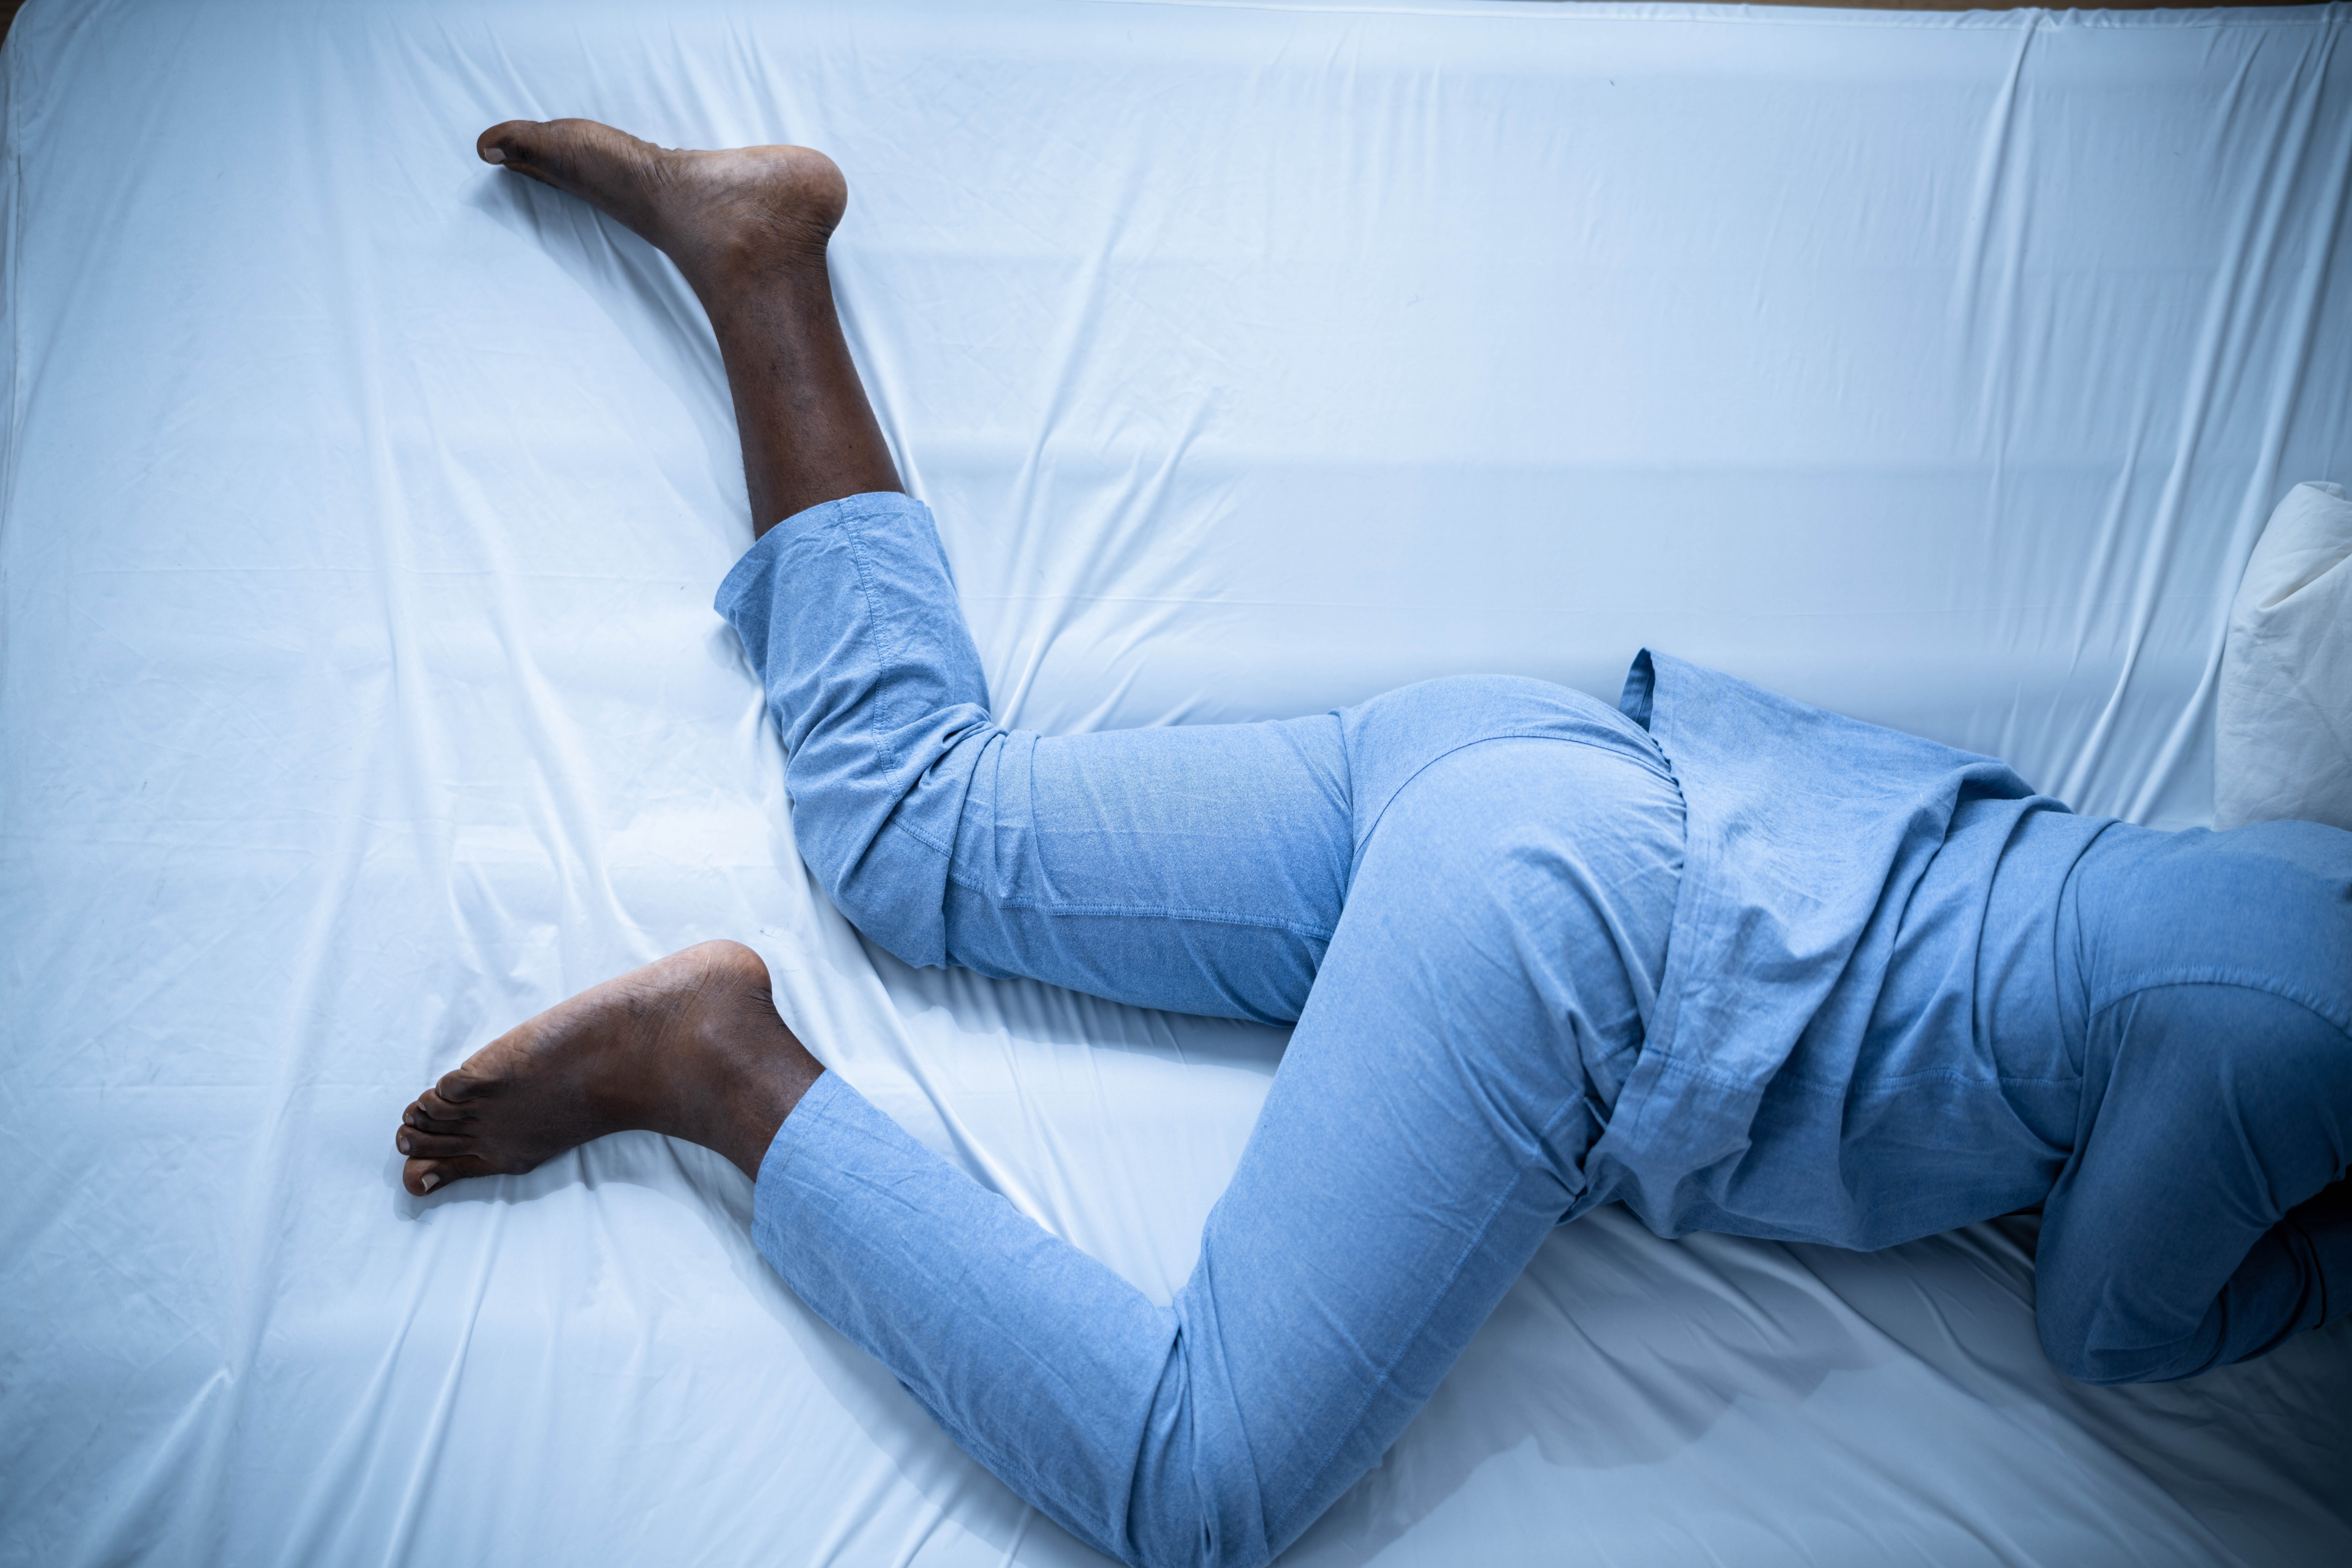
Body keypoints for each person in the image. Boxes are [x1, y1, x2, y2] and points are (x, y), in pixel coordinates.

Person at [395, 119, 2352, 1568]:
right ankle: (720, 1070)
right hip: (1586, 957)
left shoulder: (2309, 887)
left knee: (919, 832)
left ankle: (762, 262)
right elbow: (2119, 1318)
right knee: (1199, 1485)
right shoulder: (2306, 1038)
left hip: (1557, 780)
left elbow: (2290, 640)